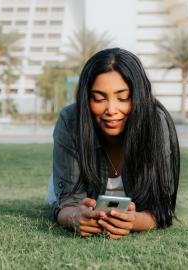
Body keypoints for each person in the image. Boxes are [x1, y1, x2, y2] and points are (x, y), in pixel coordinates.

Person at [46, 48, 180, 239]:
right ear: (87, 99)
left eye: (123, 98)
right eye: (99, 98)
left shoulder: (156, 123)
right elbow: (67, 202)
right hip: (74, 189)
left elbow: (161, 208)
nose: (111, 109)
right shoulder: (71, 121)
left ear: (138, 96)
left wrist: (134, 221)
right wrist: (75, 217)